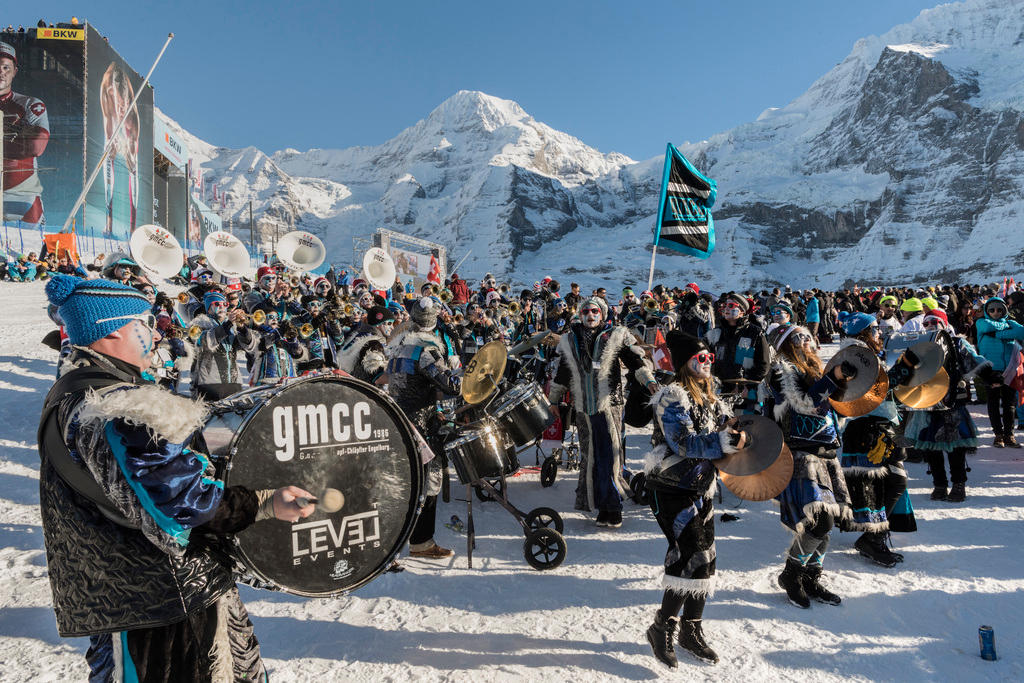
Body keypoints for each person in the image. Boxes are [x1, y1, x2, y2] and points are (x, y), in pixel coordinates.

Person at [38, 275, 315, 681]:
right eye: (143, 325)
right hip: (165, 606)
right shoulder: (122, 411)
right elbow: (183, 506)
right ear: (112, 331)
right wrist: (265, 502)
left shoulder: (72, 393)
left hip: (126, 595)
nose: (153, 335)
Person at [642, 335, 745, 667]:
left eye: (709, 357)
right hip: (671, 487)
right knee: (692, 555)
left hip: (701, 487)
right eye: (700, 358)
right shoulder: (672, 396)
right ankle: (663, 626)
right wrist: (724, 441)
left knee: (707, 561)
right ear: (685, 361)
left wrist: (737, 432)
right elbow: (683, 442)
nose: (707, 363)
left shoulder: (712, 397)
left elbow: (718, 433)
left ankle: (691, 629)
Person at [765, 324, 854, 609]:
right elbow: (802, 403)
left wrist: (839, 382)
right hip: (800, 452)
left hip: (825, 450)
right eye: (797, 337)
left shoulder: (815, 369)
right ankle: (791, 575)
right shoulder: (780, 371)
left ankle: (811, 577)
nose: (805, 340)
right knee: (819, 521)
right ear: (784, 343)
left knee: (826, 522)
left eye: (807, 335)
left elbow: (831, 406)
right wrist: (833, 379)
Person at [548, 296, 657, 525]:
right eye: (586, 311)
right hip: (584, 408)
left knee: (610, 457)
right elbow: (563, 374)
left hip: (610, 406)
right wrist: (554, 401)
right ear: (580, 314)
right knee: (591, 458)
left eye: (595, 312)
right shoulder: (569, 340)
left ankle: (613, 507)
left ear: (603, 314)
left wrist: (649, 382)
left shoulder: (616, 336)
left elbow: (636, 362)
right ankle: (600, 506)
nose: (590, 315)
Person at [836, 313, 917, 568]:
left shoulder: (860, 354)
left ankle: (876, 536)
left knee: (888, 482)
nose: (880, 334)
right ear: (864, 332)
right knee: (890, 482)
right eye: (875, 330)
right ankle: (872, 538)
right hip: (869, 430)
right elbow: (876, 390)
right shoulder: (857, 355)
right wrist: (905, 366)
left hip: (875, 426)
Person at [386, 297, 461, 559]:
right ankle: (421, 543)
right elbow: (452, 386)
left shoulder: (398, 347)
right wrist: (458, 371)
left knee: (408, 484)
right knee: (429, 484)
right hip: (421, 427)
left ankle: (398, 540)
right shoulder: (426, 352)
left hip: (400, 421)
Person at [905, 309, 991, 502]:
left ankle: (959, 485)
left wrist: (989, 374)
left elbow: (975, 360)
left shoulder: (957, 343)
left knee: (955, 448)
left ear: (944, 324)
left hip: (952, 402)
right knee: (931, 448)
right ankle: (940, 485)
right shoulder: (919, 346)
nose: (930, 326)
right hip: (926, 402)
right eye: (926, 323)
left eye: (934, 322)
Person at [1, 41, 49, 226]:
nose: (1, 72)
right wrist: (16, 134)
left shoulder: (30, 104)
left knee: (31, 251)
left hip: (22, 197)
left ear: (14, 71)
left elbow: (37, 145)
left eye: (6, 67)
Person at [704, 293, 770, 414]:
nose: (726, 309)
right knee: (722, 427)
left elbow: (764, 365)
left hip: (746, 392)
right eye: (724, 306)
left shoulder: (755, 333)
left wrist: (749, 386)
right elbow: (707, 359)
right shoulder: (715, 333)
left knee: (745, 427)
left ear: (742, 311)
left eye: (731, 305)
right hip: (720, 390)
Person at [189, 290, 259, 400]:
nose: (222, 307)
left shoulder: (232, 327)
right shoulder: (199, 325)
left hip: (233, 382)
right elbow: (205, 343)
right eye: (217, 304)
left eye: (224, 304)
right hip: (208, 383)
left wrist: (242, 328)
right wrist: (228, 324)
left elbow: (250, 347)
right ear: (208, 308)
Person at [974, 296, 1024, 447]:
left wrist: (998, 334)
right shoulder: (981, 322)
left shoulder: (1010, 322)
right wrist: (1009, 331)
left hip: (1009, 369)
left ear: (1005, 310)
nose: (996, 312)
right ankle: (998, 435)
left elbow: (1022, 332)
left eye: (999, 309)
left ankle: (1009, 435)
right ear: (987, 311)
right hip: (990, 370)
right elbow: (987, 327)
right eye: (992, 309)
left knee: (1009, 404)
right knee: (993, 402)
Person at [100, 62, 140, 235]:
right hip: (110, 114)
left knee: (133, 167)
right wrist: (112, 147)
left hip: (128, 124)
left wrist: (130, 156)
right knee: (109, 156)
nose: (122, 111)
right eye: (120, 107)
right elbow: (108, 129)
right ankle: (108, 222)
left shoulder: (132, 116)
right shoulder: (107, 98)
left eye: (124, 107)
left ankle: (133, 228)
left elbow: (133, 146)